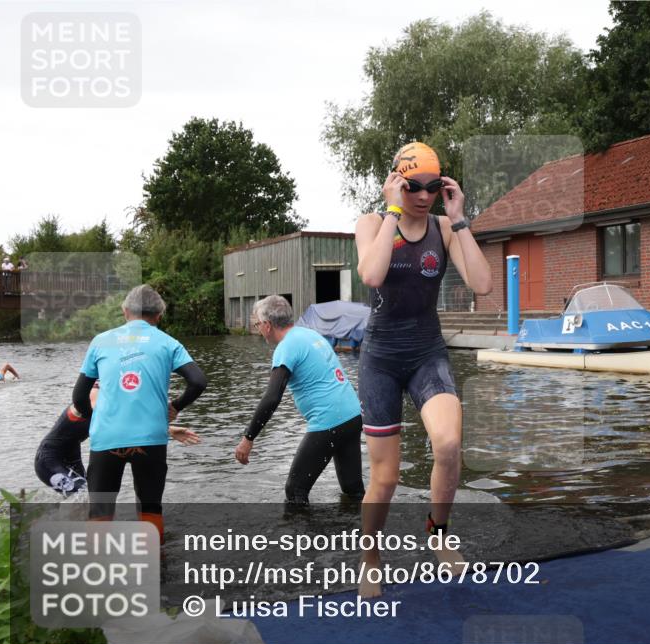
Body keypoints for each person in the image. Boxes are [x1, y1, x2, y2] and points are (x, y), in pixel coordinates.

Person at [354, 141, 492, 597]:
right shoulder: (373, 224)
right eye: (414, 186)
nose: (424, 194)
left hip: (426, 351)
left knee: (449, 444)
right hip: (381, 357)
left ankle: (438, 534)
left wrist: (460, 220)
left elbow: (483, 284)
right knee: (386, 477)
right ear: (396, 182)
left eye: (433, 186)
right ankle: (370, 557)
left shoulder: (443, 227)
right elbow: (372, 276)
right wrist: (392, 211)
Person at [72, 285, 207, 541]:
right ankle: (156, 566)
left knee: (100, 510)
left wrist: (98, 419)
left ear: (125, 312)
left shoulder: (101, 341)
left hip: (107, 438)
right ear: (158, 316)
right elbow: (198, 382)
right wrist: (175, 407)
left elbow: (79, 397)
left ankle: (97, 569)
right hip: (151, 439)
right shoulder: (168, 343)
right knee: (150, 508)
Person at [235, 295, 364, 504]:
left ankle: (302, 537)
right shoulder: (310, 334)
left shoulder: (286, 347)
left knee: (295, 491)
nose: (258, 329)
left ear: (268, 325)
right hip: (352, 416)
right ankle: (361, 532)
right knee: (353, 489)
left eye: (258, 324)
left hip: (329, 421)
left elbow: (272, 397)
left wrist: (248, 438)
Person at [36, 381, 201, 497]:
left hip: (71, 456)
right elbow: (111, 416)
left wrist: (167, 429)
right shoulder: (94, 393)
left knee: (83, 500)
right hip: (49, 459)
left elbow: (123, 423)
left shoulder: (113, 399)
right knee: (85, 498)